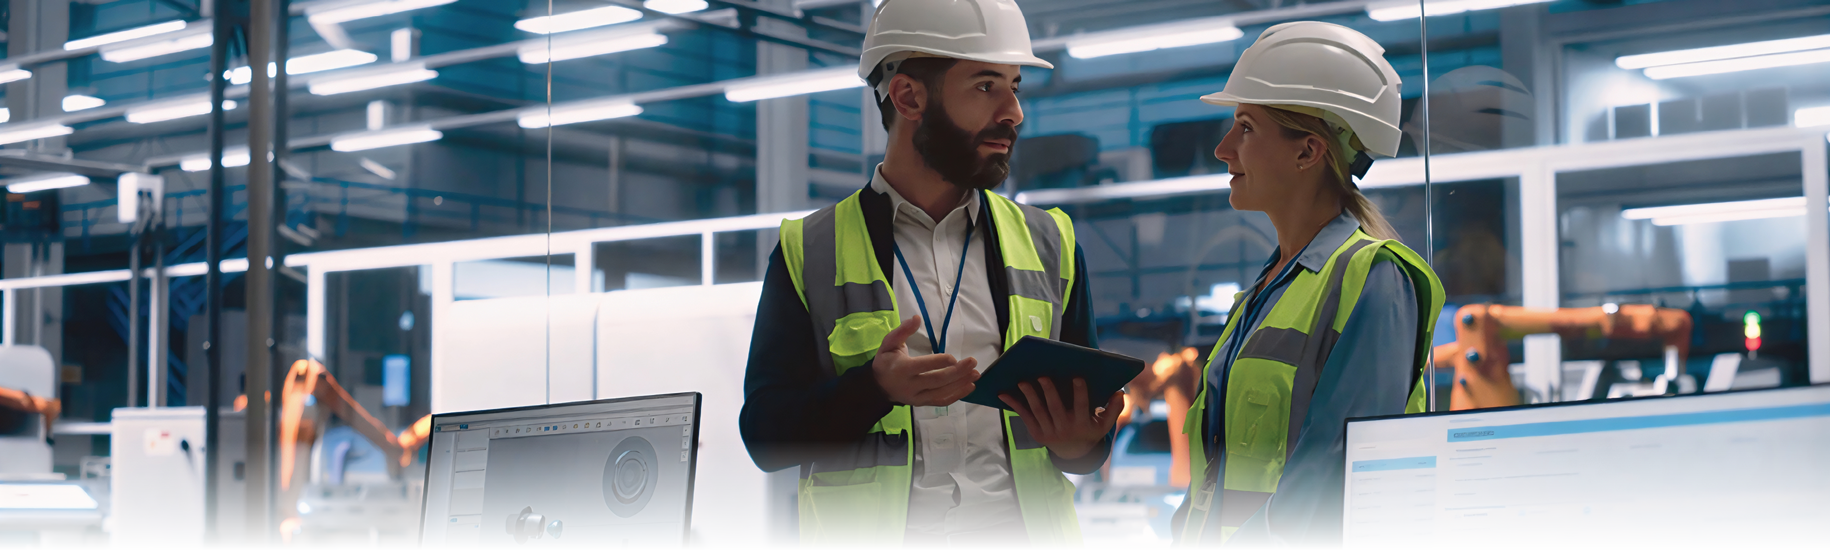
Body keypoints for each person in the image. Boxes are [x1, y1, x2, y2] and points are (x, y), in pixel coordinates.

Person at [738, 0, 1119, 549]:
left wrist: (1081, 445)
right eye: (987, 86)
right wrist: (874, 389)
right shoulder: (809, 251)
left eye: (1016, 86)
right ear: (909, 97)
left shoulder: (1050, 243)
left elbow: (1082, 445)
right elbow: (767, 436)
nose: (1014, 111)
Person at [1168, 22, 1446, 550]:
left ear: (1308, 151)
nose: (1224, 149)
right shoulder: (1268, 291)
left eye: (1246, 128)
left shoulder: (1376, 280)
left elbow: (1333, 475)